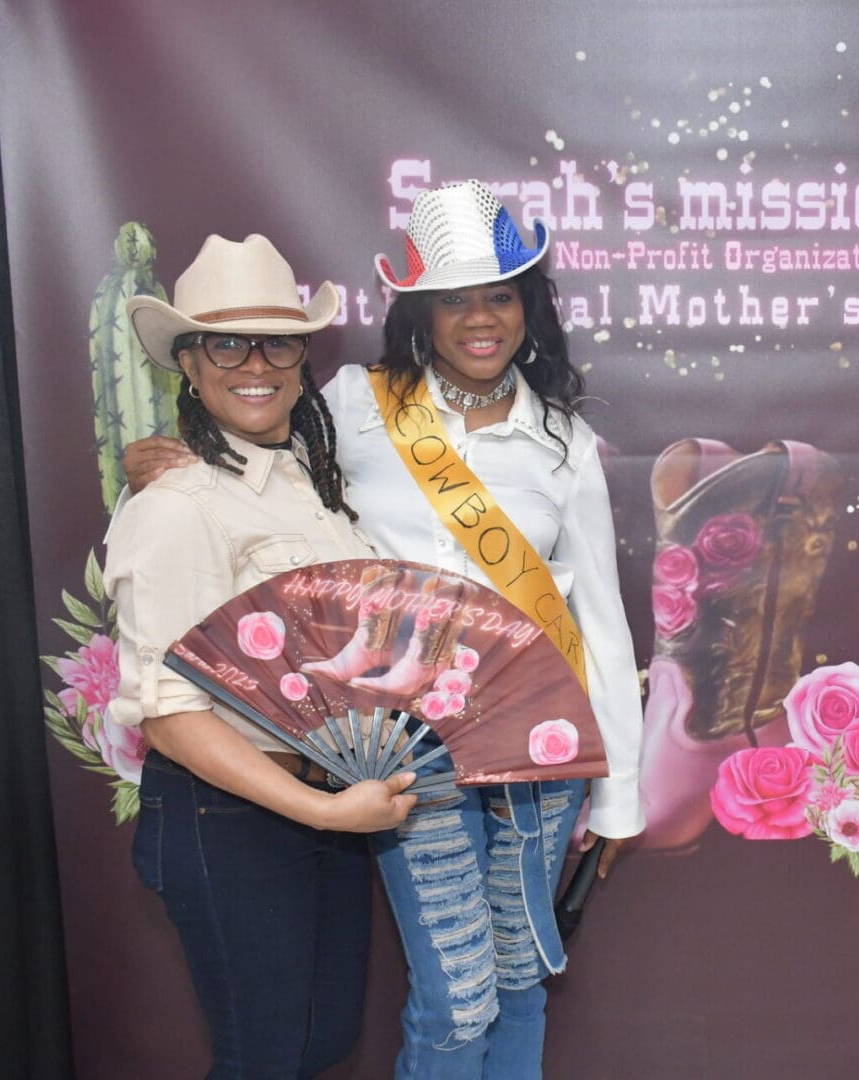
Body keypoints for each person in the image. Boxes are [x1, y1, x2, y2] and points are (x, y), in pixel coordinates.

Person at [126, 181, 645, 1079]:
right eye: (453, 299)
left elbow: (599, 612)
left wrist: (620, 794)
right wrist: (156, 457)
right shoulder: (355, 407)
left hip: (543, 752)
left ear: (530, 306)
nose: (479, 319)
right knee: (457, 996)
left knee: (520, 983)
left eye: (500, 294)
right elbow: (245, 447)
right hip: (410, 752)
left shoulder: (560, 438)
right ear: (418, 311)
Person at [106, 234, 419, 1080]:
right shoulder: (175, 505)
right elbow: (169, 716)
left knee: (317, 1046)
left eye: (277, 341)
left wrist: (331, 807)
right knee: (265, 1059)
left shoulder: (308, 486)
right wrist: (320, 813)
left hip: (323, 804)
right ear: (190, 363)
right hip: (232, 818)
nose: (256, 363)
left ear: (302, 357)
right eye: (226, 341)